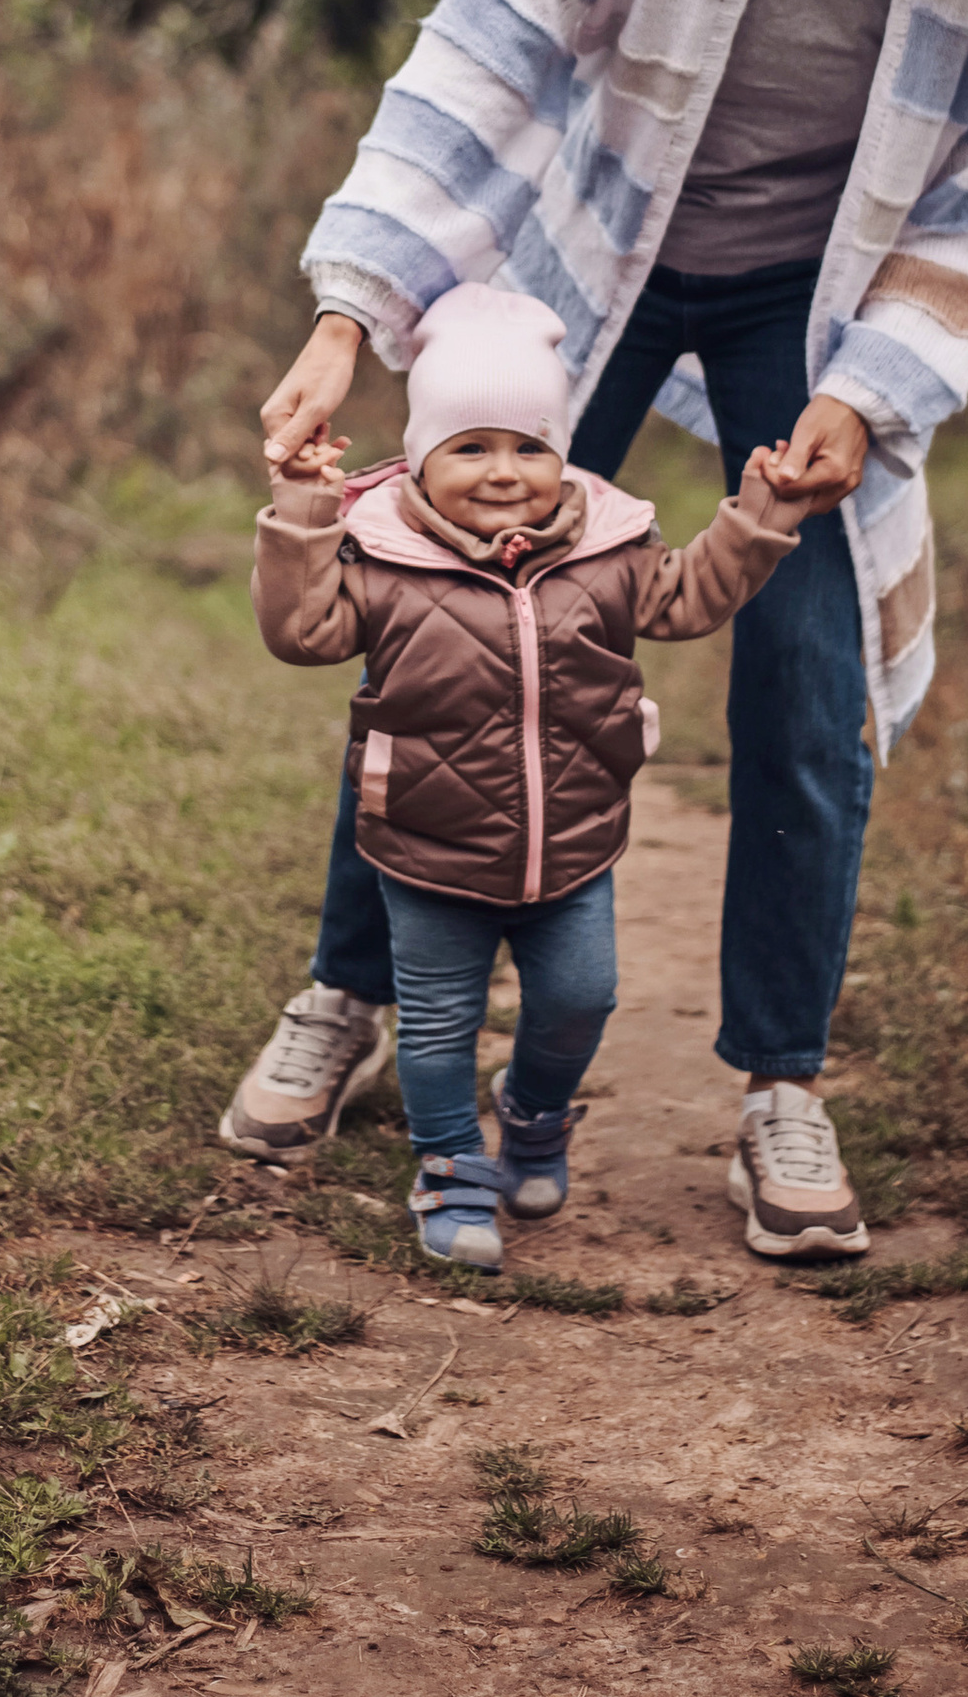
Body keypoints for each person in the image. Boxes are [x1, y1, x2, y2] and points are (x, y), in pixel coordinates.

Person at [222, 0, 968, 1262]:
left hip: (816, 311)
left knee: (807, 679)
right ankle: (352, 987)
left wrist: (863, 398)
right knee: (442, 616)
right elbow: (486, 50)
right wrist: (351, 303)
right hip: (605, 260)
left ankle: (782, 1081)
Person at [250, 278, 800, 1270]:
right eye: (470, 447)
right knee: (437, 1024)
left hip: (575, 847)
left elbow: (688, 600)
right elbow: (300, 632)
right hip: (424, 846)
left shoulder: (608, 548)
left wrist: (755, 517)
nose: (503, 472)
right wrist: (301, 516)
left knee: (581, 997)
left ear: (561, 455)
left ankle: (535, 1115)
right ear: (421, 457)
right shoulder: (382, 557)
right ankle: (452, 1168)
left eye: (527, 447)